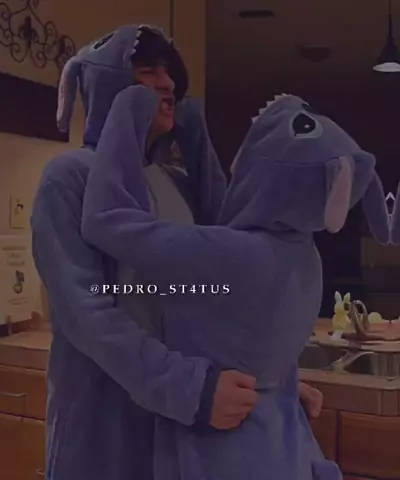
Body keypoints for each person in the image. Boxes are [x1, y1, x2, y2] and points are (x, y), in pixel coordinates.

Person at [32, 24, 324, 480]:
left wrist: (268, 386)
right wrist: (193, 390)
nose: (167, 83)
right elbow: (87, 315)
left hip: (178, 435)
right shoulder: (70, 177)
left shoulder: (176, 182)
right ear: (110, 85)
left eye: (168, 72)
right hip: (104, 429)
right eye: (147, 71)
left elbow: (223, 294)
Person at [81, 87, 390, 479]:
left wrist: (128, 107)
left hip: (220, 453)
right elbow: (228, 215)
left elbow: (105, 219)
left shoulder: (233, 255)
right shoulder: (305, 257)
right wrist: (194, 132)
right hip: (283, 445)